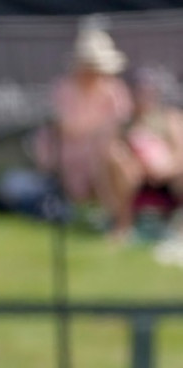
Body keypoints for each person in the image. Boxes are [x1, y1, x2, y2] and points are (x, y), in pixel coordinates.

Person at [31, 25, 133, 240]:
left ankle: (122, 220)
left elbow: (119, 123)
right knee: (105, 160)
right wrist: (97, 133)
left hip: (107, 150)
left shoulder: (113, 89)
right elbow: (66, 127)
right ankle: (117, 221)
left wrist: (102, 137)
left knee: (118, 162)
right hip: (70, 154)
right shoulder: (64, 88)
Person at [109, 65, 183, 240]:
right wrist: (140, 166)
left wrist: (165, 169)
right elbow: (113, 150)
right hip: (136, 177)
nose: (144, 96)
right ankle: (123, 226)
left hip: (170, 176)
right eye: (139, 91)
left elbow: (180, 152)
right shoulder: (124, 123)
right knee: (115, 161)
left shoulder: (170, 118)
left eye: (148, 91)